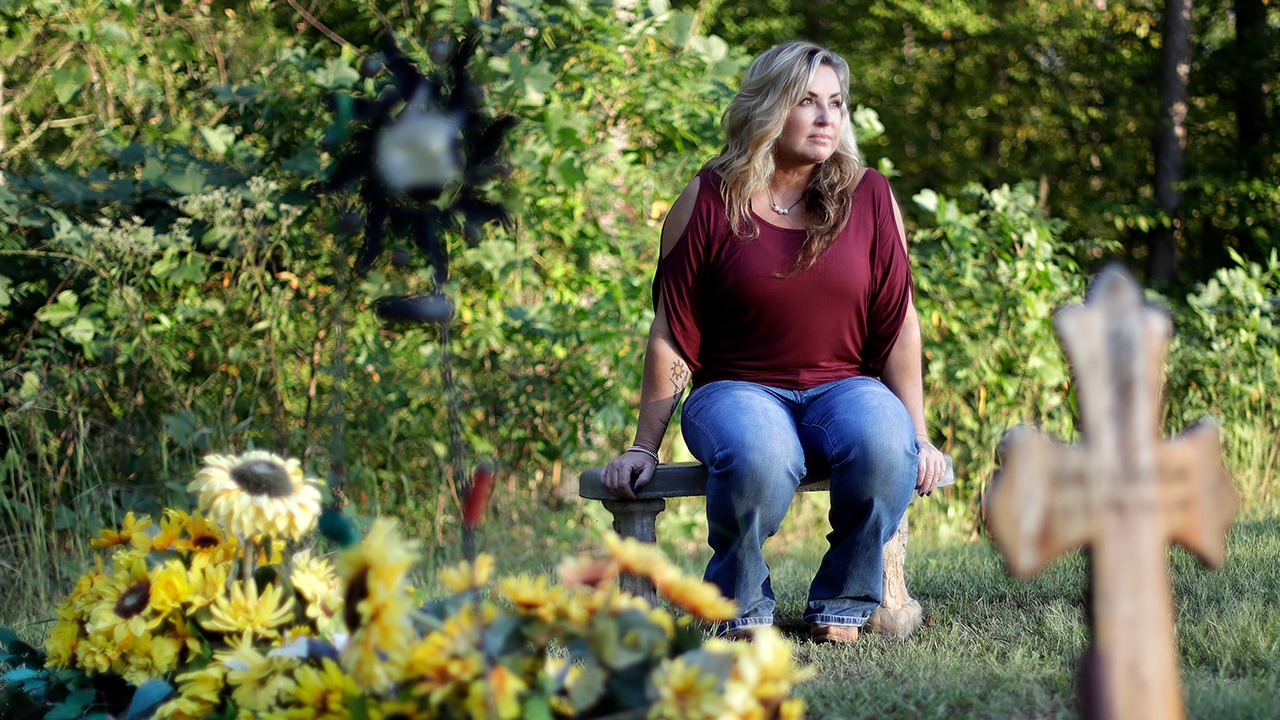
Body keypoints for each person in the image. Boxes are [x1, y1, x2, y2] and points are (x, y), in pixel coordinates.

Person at [599, 40, 948, 643]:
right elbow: (671, 331)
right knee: (761, 456)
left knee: (886, 445)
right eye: (807, 101)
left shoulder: (869, 196)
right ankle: (739, 601)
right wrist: (644, 448)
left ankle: (844, 597)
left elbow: (899, 323)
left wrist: (917, 435)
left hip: (845, 386)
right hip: (735, 388)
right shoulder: (707, 199)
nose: (825, 117)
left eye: (836, 103)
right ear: (767, 108)